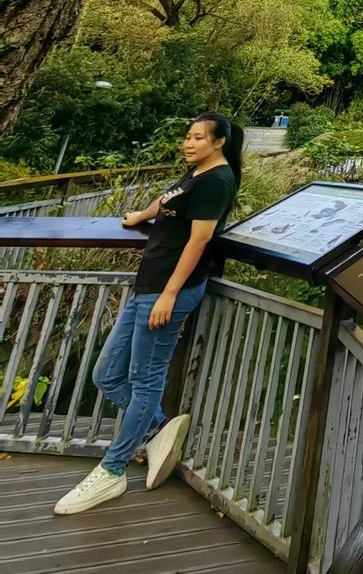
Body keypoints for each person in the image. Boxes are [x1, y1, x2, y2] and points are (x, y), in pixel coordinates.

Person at [53, 112, 242, 516]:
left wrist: (169, 294)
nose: (187, 143)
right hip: (148, 287)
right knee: (105, 374)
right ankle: (158, 428)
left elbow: (200, 240)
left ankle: (113, 469)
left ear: (219, 142)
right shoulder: (195, 174)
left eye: (196, 138)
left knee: (145, 379)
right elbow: (169, 199)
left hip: (167, 293)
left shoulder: (217, 181)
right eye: (187, 136)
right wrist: (141, 215)